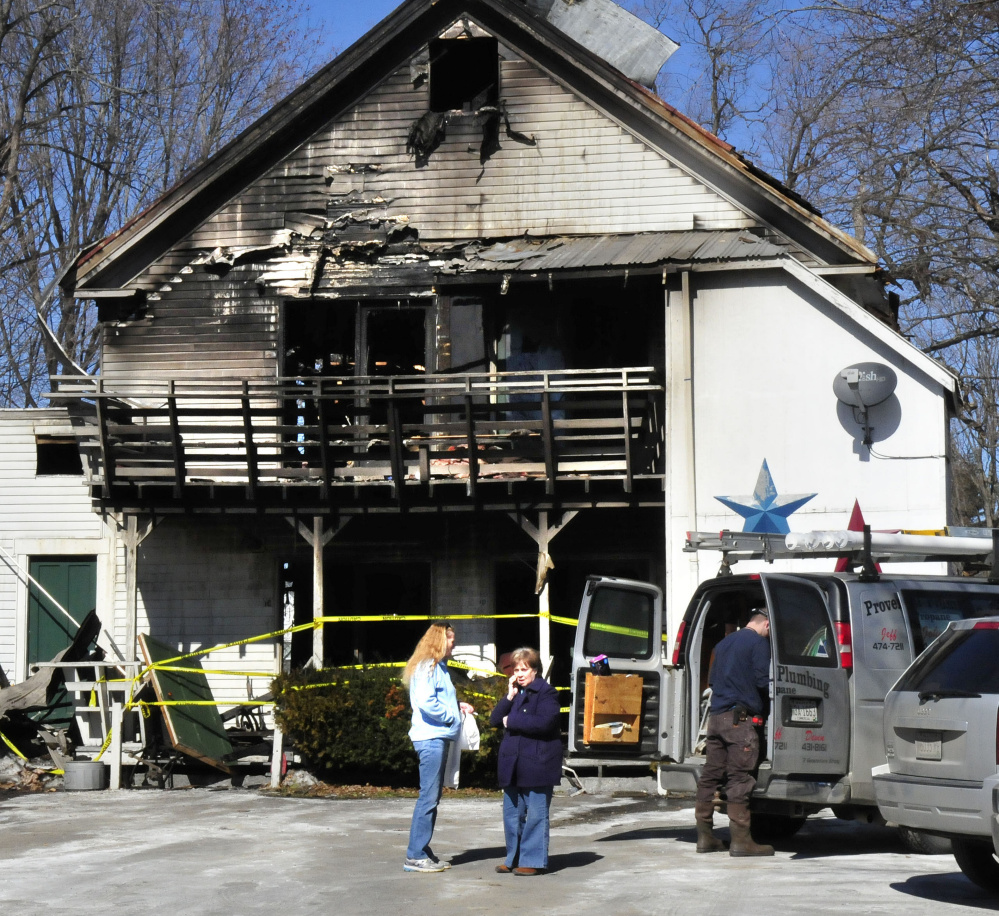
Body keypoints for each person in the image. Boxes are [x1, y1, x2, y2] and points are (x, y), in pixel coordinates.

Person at [694, 606, 775, 857]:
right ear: (767, 625)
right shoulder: (758, 643)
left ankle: (705, 837)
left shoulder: (724, 644)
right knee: (740, 778)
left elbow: (714, 682)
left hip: (717, 718)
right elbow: (764, 681)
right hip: (740, 721)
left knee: (711, 776)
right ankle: (741, 841)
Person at [401, 620, 474, 873]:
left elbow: (438, 699)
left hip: (437, 737)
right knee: (428, 797)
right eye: (451, 639)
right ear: (440, 641)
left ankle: (423, 851)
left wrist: (458, 707)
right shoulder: (427, 667)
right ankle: (415, 855)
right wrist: (451, 716)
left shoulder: (439, 667)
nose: (455, 643)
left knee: (432, 796)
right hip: (431, 739)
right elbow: (426, 702)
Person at [488, 647, 562, 876]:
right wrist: (509, 696)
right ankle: (514, 858)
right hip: (513, 764)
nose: (519, 674)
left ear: (535, 670)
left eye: (524, 669)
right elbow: (494, 720)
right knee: (512, 814)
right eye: (516, 669)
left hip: (538, 762)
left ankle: (533, 860)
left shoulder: (547, 693)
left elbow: (545, 722)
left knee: (536, 815)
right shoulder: (516, 693)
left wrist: (513, 720)